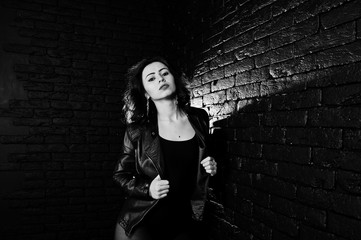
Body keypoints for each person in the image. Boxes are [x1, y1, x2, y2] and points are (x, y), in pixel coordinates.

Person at [113, 56, 217, 240]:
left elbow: (202, 159)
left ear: (173, 79)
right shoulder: (137, 130)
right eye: (151, 78)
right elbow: (120, 175)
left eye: (164, 73)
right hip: (141, 221)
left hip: (184, 220)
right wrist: (148, 189)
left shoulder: (199, 118)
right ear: (146, 93)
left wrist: (212, 165)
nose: (160, 79)